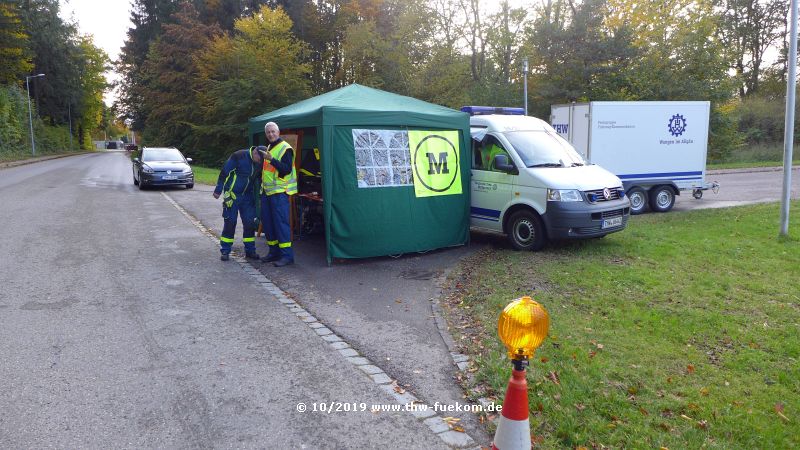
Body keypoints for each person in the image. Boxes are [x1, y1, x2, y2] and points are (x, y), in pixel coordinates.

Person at [213, 146, 265, 261]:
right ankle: (225, 250)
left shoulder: (260, 162)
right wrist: (218, 189)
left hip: (247, 197)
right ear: (255, 153)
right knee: (230, 222)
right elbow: (224, 171)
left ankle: (250, 251)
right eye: (260, 160)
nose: (261, 163)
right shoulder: (239, 155)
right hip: (232, 194)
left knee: (249, 223)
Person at [260, 122, 297, 267]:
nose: (271, 134)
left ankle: (287, 256)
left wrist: (272, 160)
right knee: (268, 224)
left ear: (278, 132)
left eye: (273, 131)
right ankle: (273, 252)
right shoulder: (269, 147)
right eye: (268, 132)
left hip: (280, 193)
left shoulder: (285, 148)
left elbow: (286, 169)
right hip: (267, 192)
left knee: (281, 224)